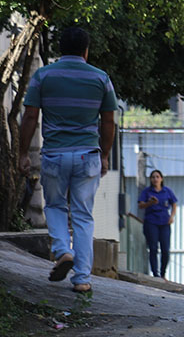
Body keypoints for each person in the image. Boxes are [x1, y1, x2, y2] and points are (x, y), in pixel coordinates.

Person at [17, 27, 117, 294]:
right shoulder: (101, 78)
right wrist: (105, 155)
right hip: (87, 156)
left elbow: (30, 116)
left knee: (55, 206)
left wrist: (23, 152)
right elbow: (108, 121)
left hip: (55, 155)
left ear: (59, 49)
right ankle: (82, 279)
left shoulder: (43, 75)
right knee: (83, 215)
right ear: (86, 50)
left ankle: (63, 251)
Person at [137, 169, 177, 278]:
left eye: (157, 177)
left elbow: (174, 204)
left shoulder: (167, 191)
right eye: (153, 177)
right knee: (153, 248)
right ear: (150, 179)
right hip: (151, 222)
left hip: (164, 222)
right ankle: (155, 273)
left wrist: (172, 216)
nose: (155, 179)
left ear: (161, 179)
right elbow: (140, 205)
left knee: (165, 249)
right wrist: (150, 203)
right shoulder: (147, 191)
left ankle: (163, 272)